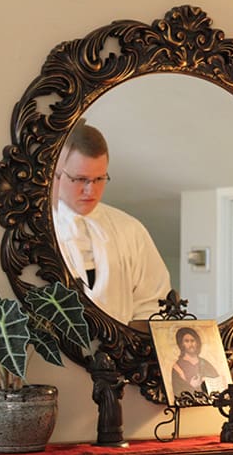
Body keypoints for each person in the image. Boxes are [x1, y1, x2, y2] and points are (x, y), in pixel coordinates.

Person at [53, 119, 172, 324]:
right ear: (57, 173)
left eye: (99, 179)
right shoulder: (39, 228)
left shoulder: (130, 229)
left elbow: (154, 302)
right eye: (81, 179)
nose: (91, 190)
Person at [171, 326, 223, 399]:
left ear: (197, 343)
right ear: (181, 344)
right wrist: (192, 386)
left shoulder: (205, 363)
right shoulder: (177, 367)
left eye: (192, 340)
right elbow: (177, 391)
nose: (191, 344)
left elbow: (217, 383)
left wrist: (207, 381)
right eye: (186, 341)